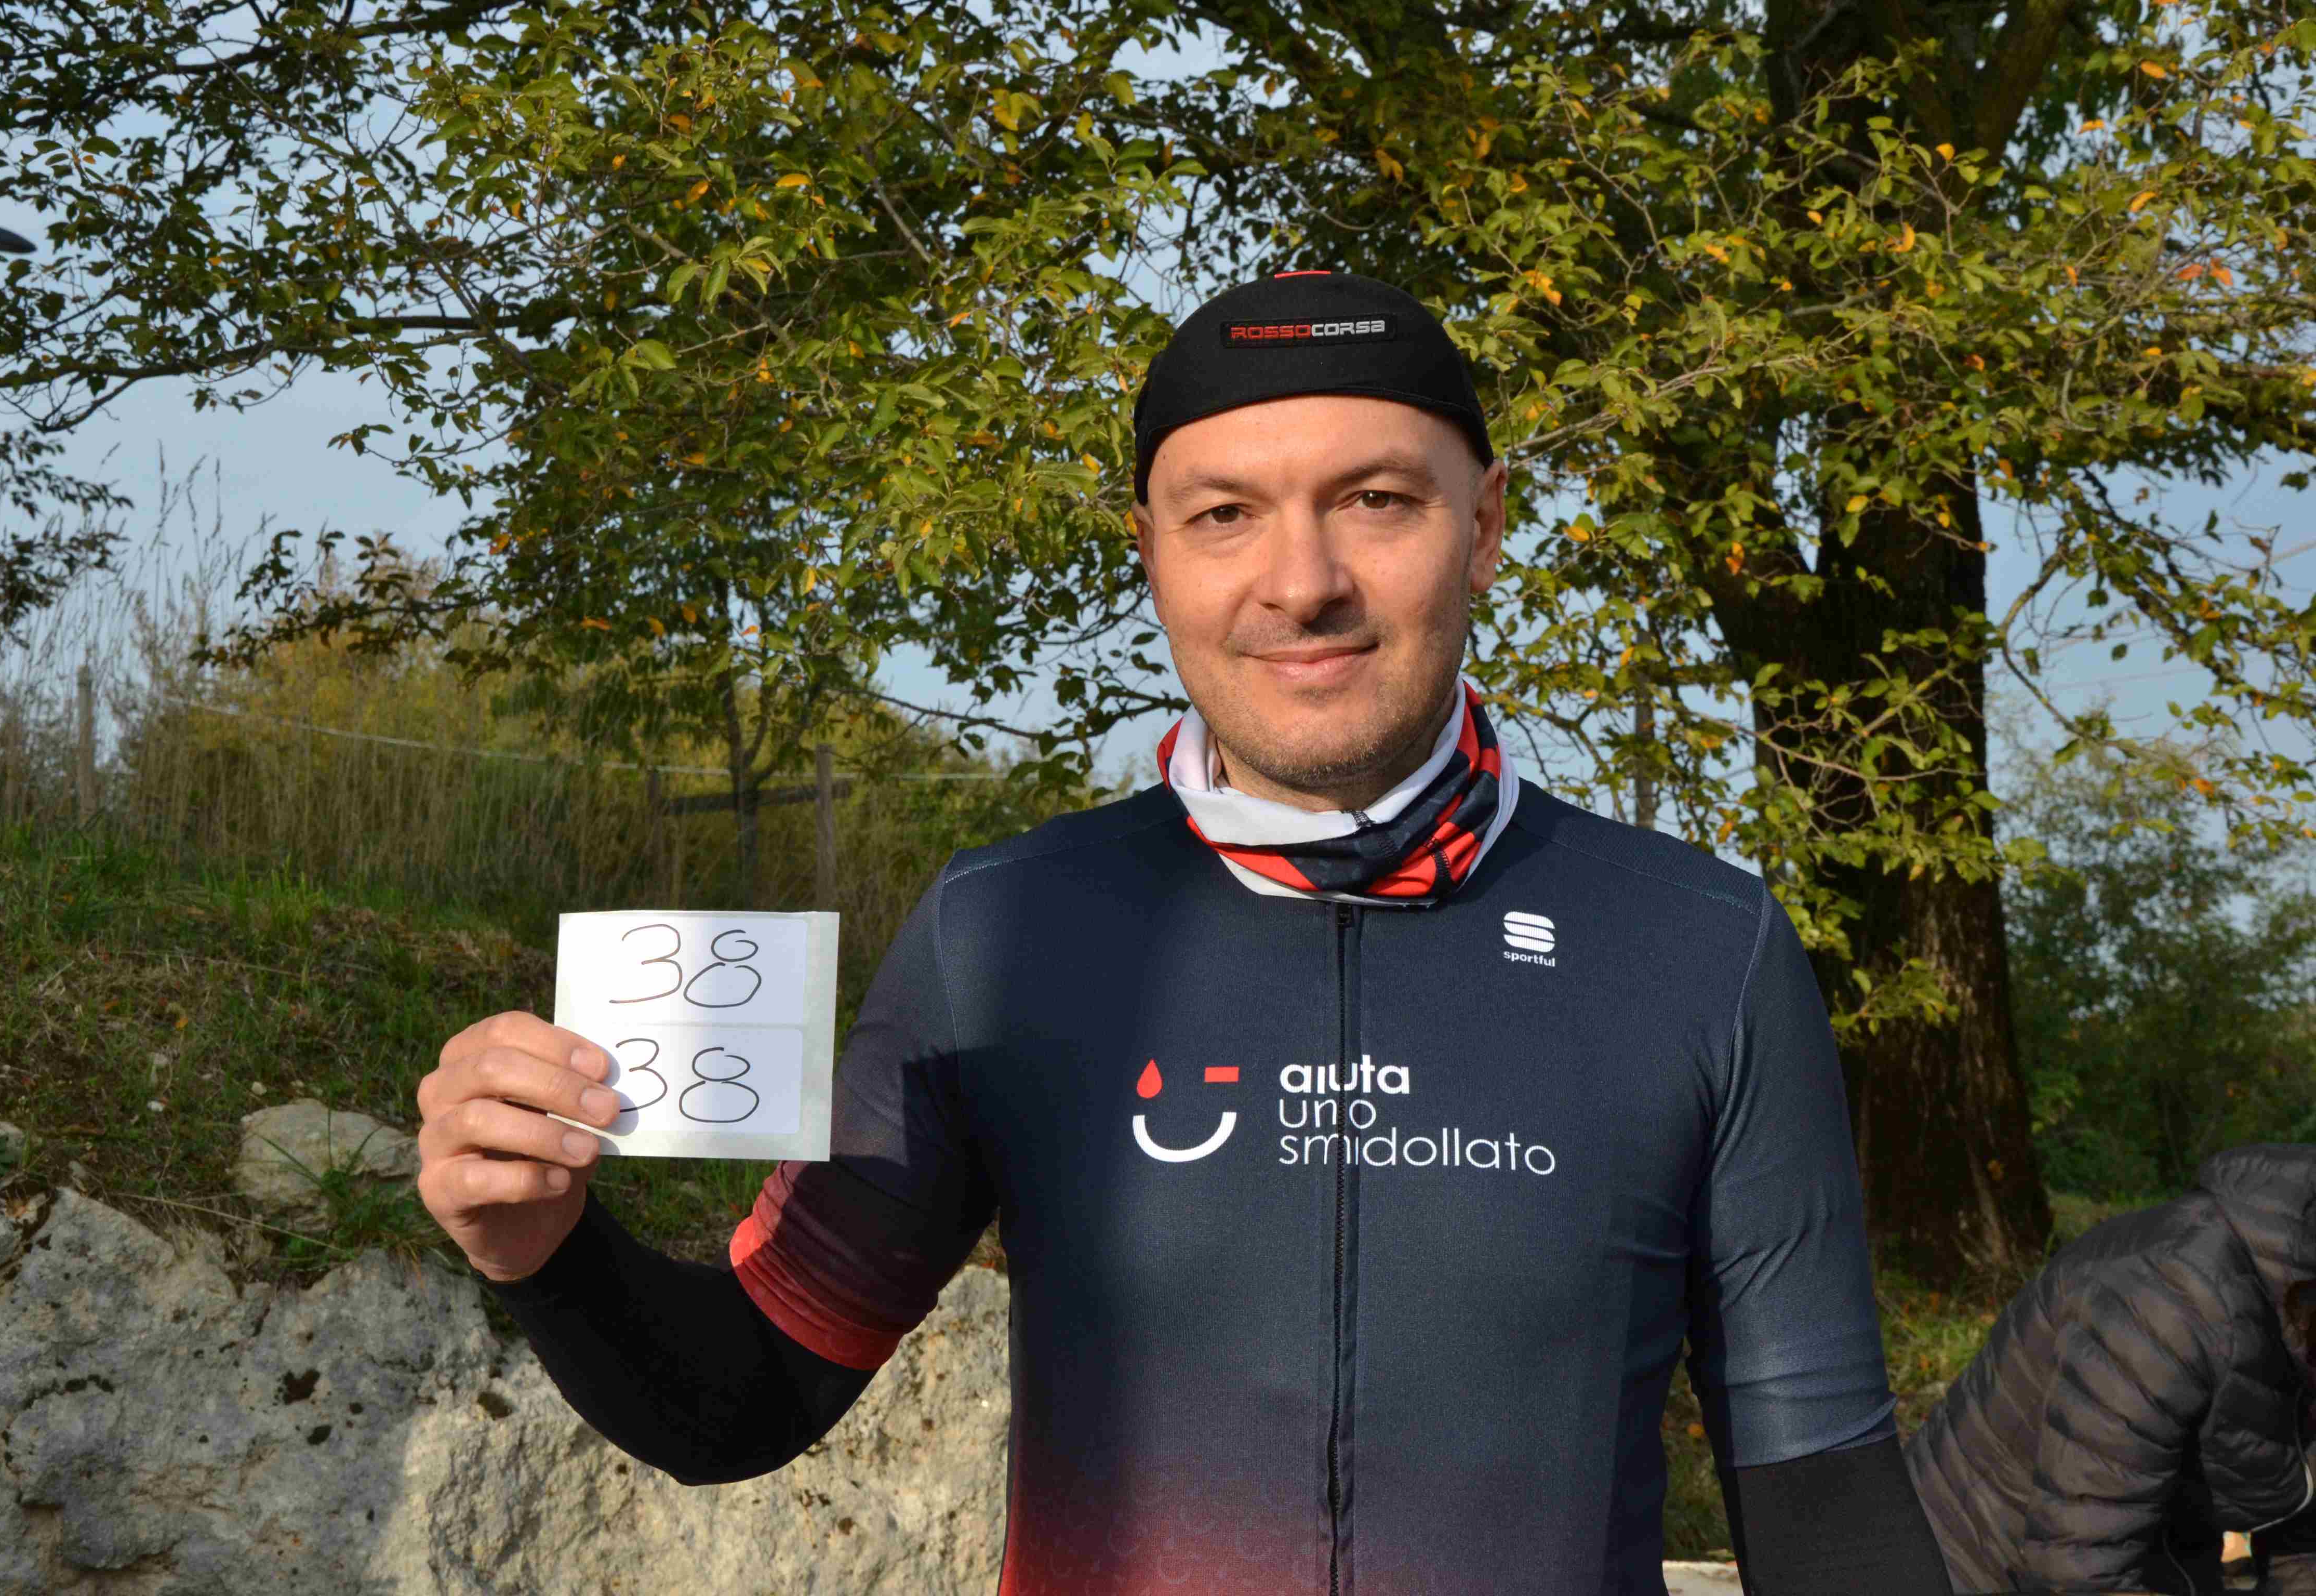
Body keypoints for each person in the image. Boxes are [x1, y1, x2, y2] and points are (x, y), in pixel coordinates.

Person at [416, 271, 1953, 1595]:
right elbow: (742, 1394)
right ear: (1149, 551)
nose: (1304, 583)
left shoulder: (1698, 946)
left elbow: (1830, 1517)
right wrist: (545, 1248)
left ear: (1485, 525)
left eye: (1377, 500)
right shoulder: (1004, 932)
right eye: (1225, 515)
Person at [1907, 1142, 2316, 1596]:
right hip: (1964, 1567)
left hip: (2156, 1558)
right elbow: (2077, 1575)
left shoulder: (2297, 1317)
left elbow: (2297, 1533)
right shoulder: (2169, 1306)